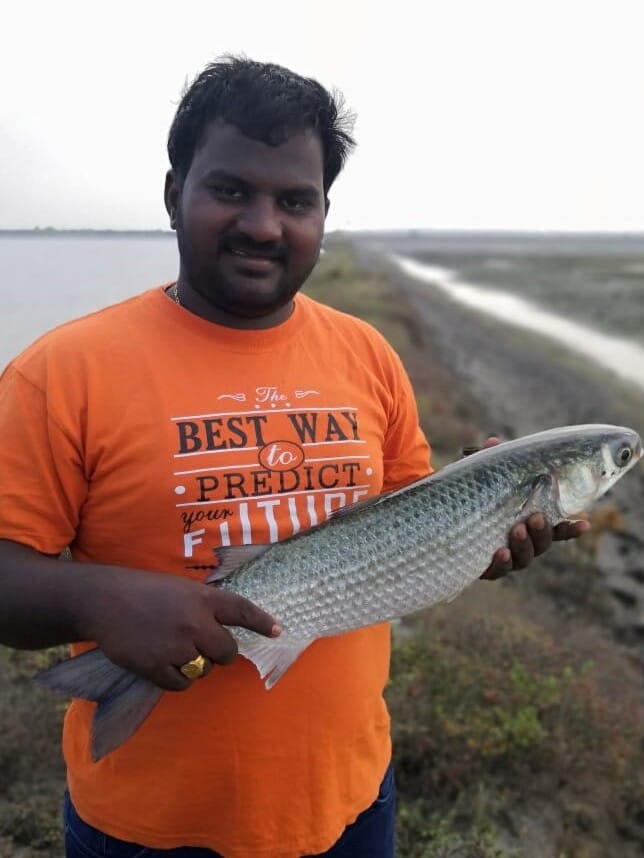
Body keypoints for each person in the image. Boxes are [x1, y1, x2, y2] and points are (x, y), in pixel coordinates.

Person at [0, 56, 588, 858]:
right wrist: (100, 600)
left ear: (323, 214)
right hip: (148, 828)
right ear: (175, 195)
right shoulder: (60, 371)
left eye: (294, 200)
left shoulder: (368, 354)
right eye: (232, 190)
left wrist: (484, 531)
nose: (265, 224)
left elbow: (409, 532)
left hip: (350, 802)